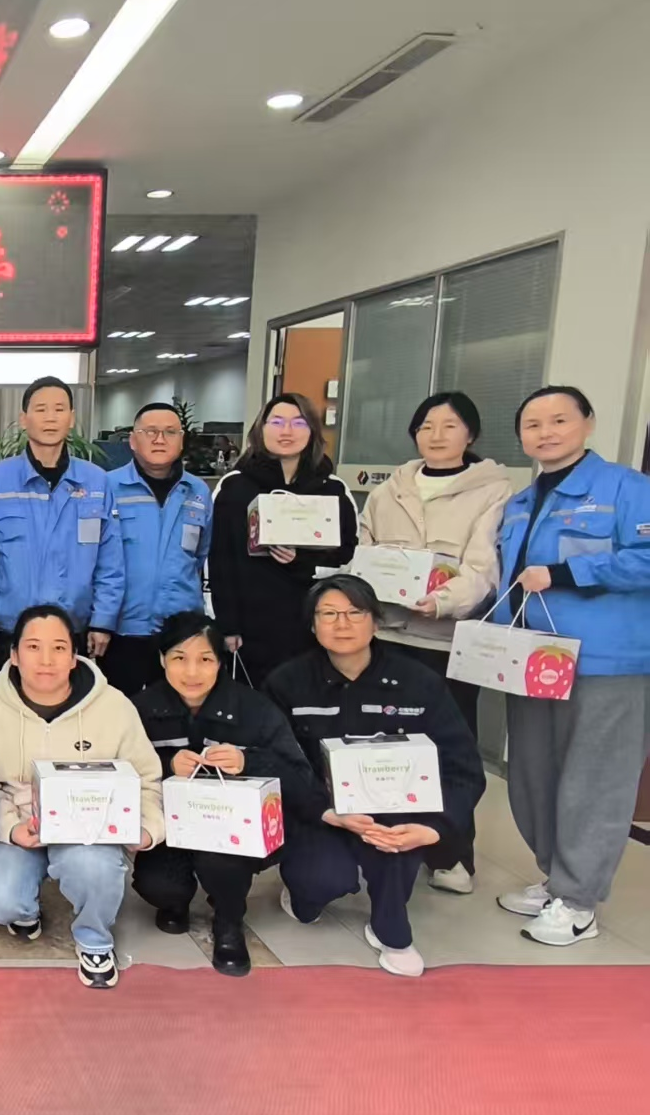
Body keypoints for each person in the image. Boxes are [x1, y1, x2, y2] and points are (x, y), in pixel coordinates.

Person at [264, 576, 485, 977]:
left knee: (395, 843)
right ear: (312, 625)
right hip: (321, 812)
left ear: (376, 621)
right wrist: (326, 812)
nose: (342, 624)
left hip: (393, 811)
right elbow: (276, 763)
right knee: (319, 883)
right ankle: (303, 893)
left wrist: (433, 828)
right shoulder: (287, 683)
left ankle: (390, 928)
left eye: (355, 613)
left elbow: (463, 768)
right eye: (329, 614)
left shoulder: (419, 683)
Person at [491, 386, 648, 946]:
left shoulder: (627, 490)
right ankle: (555, 876)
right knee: (533, 772)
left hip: (604, 661)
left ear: (588, 423)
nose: (546, 432)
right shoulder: (520, 501)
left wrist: (565, 573)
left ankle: (578, 901)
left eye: (559, 420)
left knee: (595, 779)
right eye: (533, 424)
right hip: (532, 657)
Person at [357, 391, 512, 895]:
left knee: (450, 747)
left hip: (448, 640)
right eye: (426, 426)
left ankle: (451, 853)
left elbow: (484, 567)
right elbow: (364, 550)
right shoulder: (390, 490)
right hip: (387, 634)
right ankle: (377, 840)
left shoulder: (492, 492)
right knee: (379, 742)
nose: (436, 435)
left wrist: (442, 601)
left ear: (471, 434)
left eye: (449, 426)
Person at [0, 605, 162, 989]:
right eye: (33, 647)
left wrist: (147, 828)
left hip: (89, 829)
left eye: (58, 648)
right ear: (14, 655)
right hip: (21, 823)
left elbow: (147, 778)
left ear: (74, 657)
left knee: (95, 869)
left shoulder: (113, 706)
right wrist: (11, 827)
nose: (46, 660)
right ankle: (25, 910)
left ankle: (94, 938)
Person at [129, 611, 322, 976]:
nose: (192, 672)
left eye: (205, 660)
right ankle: (176, 900)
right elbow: (118, 770)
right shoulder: (140, 709)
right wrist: (166, 765)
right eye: (179, 658)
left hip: (231, 832)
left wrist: (248, 761)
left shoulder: (254, 709)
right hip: (170, 828)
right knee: (159, 885)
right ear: (162, 660)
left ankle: (229, 920)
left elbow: (301, 779)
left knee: (221, 863)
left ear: (221, 662)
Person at [0, 377, 125, 678]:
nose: (50, 418)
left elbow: (110, 561)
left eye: (59, 409)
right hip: (9, 630)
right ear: (23, 419)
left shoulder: (96, 481)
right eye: (41, 409)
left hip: (74, 629)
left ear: (72, 418)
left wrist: (103, 620)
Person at [209, 393, 358, 684]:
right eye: (276, 422)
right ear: (260, 429)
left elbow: (347, 556)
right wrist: (227, 625)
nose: (286, 431)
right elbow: (219, 559)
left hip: (313, 624)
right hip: (252, 627)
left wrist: (301, 560)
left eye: (298, 423)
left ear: (312, 430)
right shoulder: (235, 486)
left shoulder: (332, 489)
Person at [102, 403, 213, 697]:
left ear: (182, 440)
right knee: (121, 709)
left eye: (170, 432)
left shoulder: (198, 492)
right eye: (150, 431)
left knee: (175, 710)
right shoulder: (108, 487)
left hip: (181, 630)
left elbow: (200, 556)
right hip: (122, 627)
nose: (160, 439)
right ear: (132, 440)